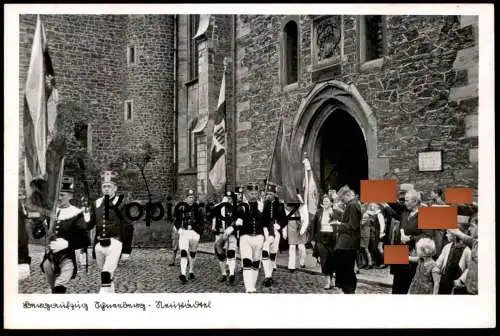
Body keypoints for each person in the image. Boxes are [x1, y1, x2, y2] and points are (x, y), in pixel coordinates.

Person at [40, 177, 91, 293]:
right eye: (57, 195)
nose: (59, 198)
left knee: (59, 286)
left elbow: (85, 240)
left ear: (70, 196)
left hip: (67, 258)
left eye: (62, 195)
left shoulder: (76, 214)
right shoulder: (51, 212)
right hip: (50, 258)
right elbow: (40, 233)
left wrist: (68, 244)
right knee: (54, 289)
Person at [383, 187, 435, 294]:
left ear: (415, 201)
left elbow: (428, 235)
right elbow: (393, 203)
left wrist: (411, 238)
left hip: (412, 255)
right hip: (399, 253)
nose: (404, 202)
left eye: (407, 200)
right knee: (396, 287)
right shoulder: (405, 212)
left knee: (408, 286)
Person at [86, 170, 130, 293]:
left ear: (115, 188)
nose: (106, 189)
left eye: (109, 186)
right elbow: (90, 224)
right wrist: (83, 221)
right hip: (99, 244)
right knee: (105, 276)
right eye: (104, 186)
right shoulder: (96, 203)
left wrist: (127, 250)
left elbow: (128, 227)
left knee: (106, 273)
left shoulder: (121, 204)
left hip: (115, 242)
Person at [236, 182, 273, 293]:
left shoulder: (263, 205)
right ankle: (249, 288)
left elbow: (268, 222)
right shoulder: (241, 206)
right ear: (247, 193)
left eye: (255, 193)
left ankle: (252, 285)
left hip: (259, 237)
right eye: (251, 193)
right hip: (245, 237)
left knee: (256, 263)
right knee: (247, 261)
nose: (253, 195)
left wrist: (270, 235)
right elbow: (236, 218)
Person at [332, 185, 361, 294]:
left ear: (347, 195)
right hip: (347, 244)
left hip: (347, 244)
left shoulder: (352, 205)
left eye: (342, 198)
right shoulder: (351, 205)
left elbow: (353, 226)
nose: (342, 200)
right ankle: (347, 289)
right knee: (345, 268)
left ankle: (349, 291)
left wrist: (339, 224)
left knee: (347, 269)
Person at [174, 189, 203, 284]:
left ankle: (191, 270)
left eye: (192, 197)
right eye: (189, 197)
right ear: (185, 198)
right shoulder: (180, 207)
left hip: (194, 233)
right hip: (184, 233)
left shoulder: (197, 208)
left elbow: (201, 222)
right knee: (183, 252)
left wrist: (197, 231)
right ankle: (183, 274)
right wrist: (179, 229)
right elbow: (176, 220)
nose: (191, 199)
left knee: (193, 253)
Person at [261, 182, 286, 287]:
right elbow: (263, 219)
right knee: (265, 249)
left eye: (270, 194)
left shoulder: (280, 205)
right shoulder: (265, 204)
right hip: (267, 231)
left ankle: (269, 276)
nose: (268, 196)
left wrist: (280, 225)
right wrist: (265, 229)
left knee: (273, 253)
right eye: (268, 194)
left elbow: (284, 219)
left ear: (274, 194)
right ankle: (267, 275)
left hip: (276, 231)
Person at [447, 213, 478, 295]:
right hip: (470, 288)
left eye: (472, 226)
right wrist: (456, 231)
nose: (469, 229)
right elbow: (465, 237)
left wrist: (462, 279)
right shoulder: (475, 242)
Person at [312, 194, 339, 289]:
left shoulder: (335, 212)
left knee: (331, 259)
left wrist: (332, 214)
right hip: (321, 237)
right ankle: (327, 281)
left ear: (331, 203)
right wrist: (313, 240)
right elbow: (314, 226)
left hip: (332, 238)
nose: (325, 203)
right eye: (324, 201)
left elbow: (339, 223)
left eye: (327, 201)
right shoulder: (319, 212)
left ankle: (331, 279)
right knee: (324, 259)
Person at [435, 226, 471, 294]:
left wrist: (461, 280)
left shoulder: (467, 250)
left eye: (448, 233)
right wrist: (436, 268)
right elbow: (440, 260)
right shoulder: (447, 247)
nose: (446, 235)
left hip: (456, 282)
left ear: (455, 235)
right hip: (445, 279)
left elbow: (469, 268)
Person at [212, 192, 237, 284]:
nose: (229, 200)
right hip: (220, 233)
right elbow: (213, 217)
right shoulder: (219, 208)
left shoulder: (236, 209)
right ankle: (223, 273)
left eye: (230, 199)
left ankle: (231, 274)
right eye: (227, 198)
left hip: (232, 234)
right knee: (220, 253)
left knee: (231, 252)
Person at [285, 193, 309, 272]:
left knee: (301, 247)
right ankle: (291, 266)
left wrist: (302, 230)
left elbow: (306, 219)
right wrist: (284, 230)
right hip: (291, 226)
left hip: (301, 226)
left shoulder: (303, 207)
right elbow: (286, 219)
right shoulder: (288, 208)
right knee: (292, 247)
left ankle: (302, 262)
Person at [18, 196, 32, 280]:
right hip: (19, 230)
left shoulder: (21, 204)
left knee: (24, 243)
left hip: (22, 230)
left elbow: (26, 215)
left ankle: (24, 262)